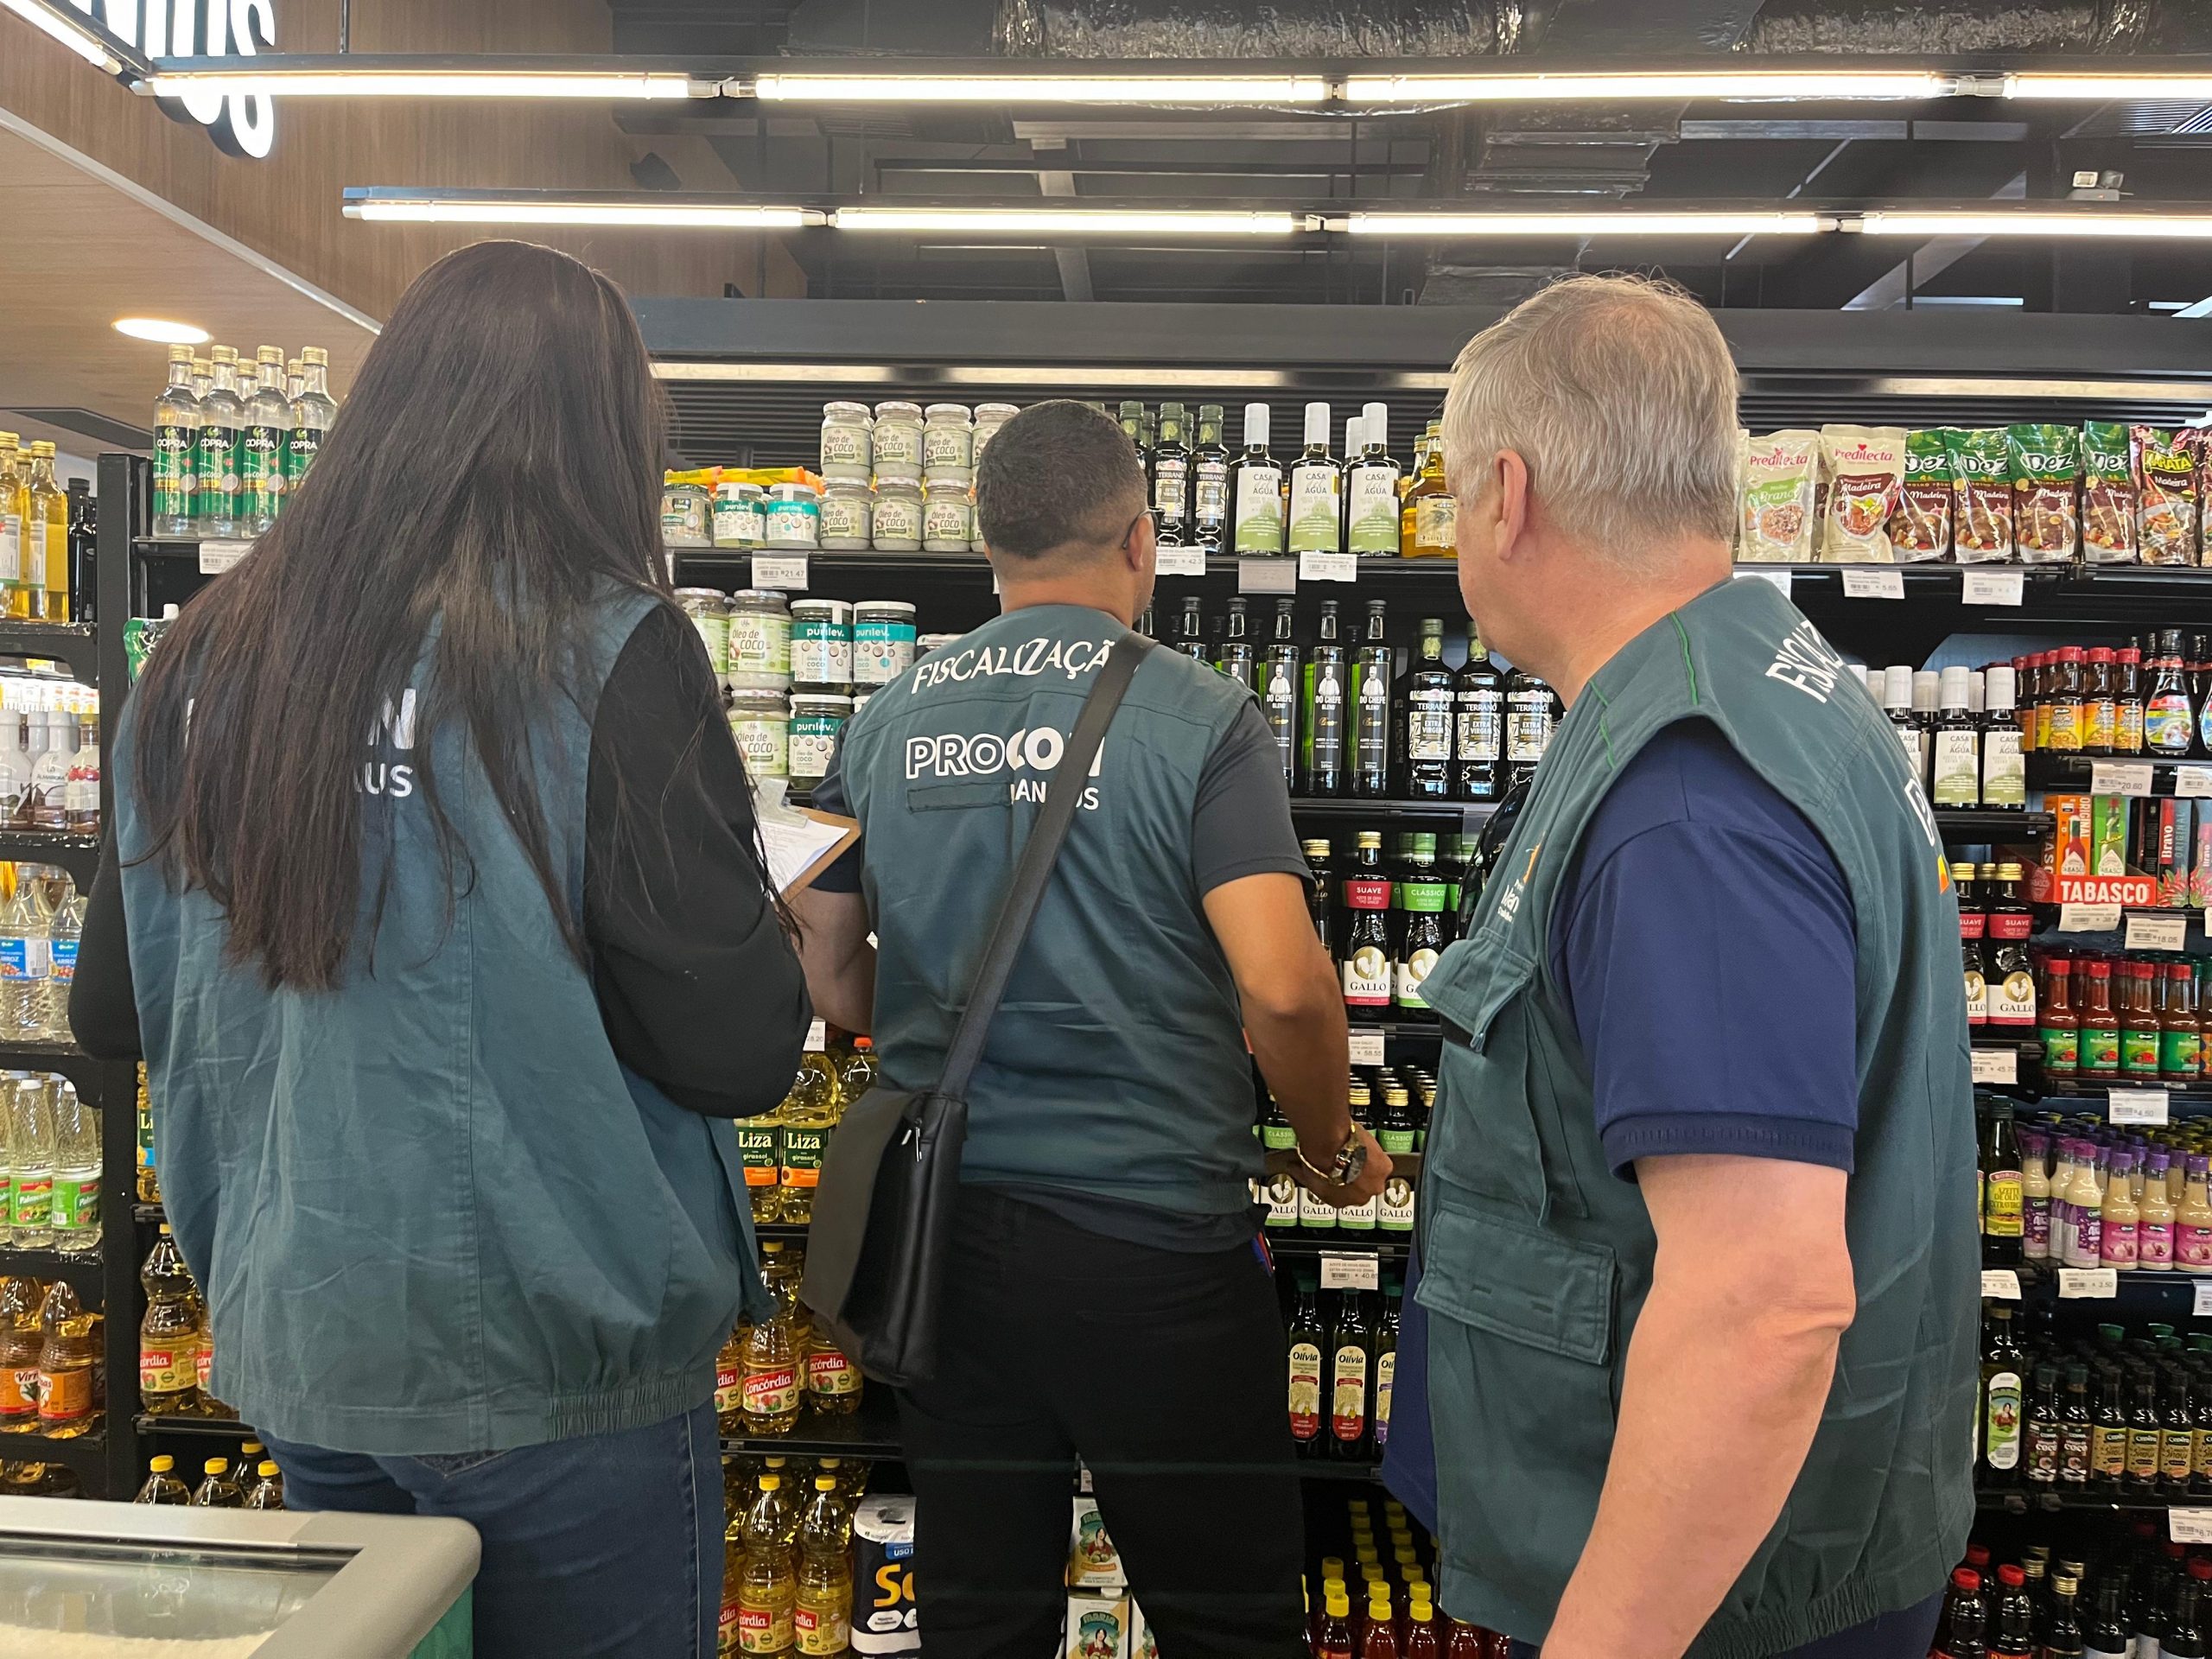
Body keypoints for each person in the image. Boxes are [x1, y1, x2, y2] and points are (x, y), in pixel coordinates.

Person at [69, 241, 807, 1658]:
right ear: (603, 437)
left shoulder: (206, 656)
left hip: (308, 1335)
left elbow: (115, 1007)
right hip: (550, 1355)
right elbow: (734, 1049)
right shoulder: (607, 648)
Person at [1394, 274, 1974, 1659]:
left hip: (1717, 1600)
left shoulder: (1685, 802)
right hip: (1762, 1548)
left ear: (1509, 496)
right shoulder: (1764, 678)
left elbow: (1762, 1304)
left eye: (1451, 489)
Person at [792, 398, 1389, 1657]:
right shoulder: (1200, 716)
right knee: (1225, 1618)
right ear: (1141, 539)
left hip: (944, 1243)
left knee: (980, 1614)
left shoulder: (886, 718)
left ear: (986, 541)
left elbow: (832, 975)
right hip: (1155, 1246)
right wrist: (1330, 1148)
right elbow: (1285, 988)